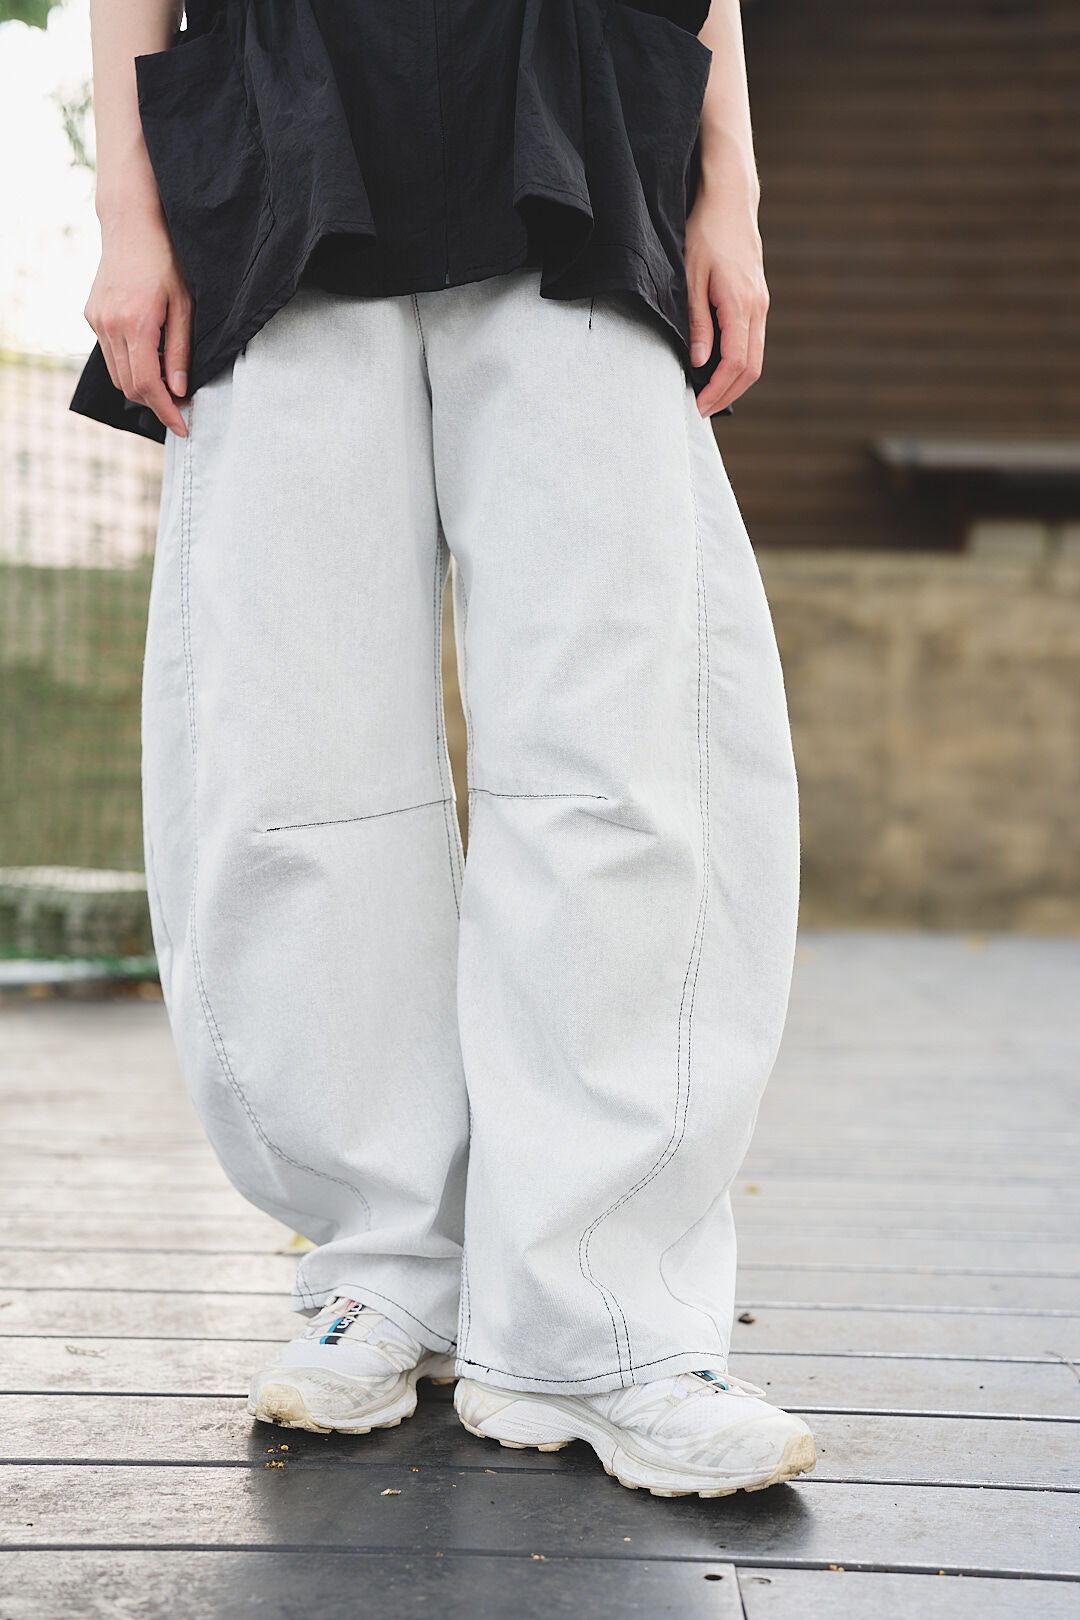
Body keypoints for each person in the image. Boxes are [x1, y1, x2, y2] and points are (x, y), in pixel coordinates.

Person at [72, 0, 815, 1499]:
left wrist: (728, 182)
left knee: (619, 763)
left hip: (580, 107)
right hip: (277, 119)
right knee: (296, 768)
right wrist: (129, 209)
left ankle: (601, 1322)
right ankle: (383, 1268)